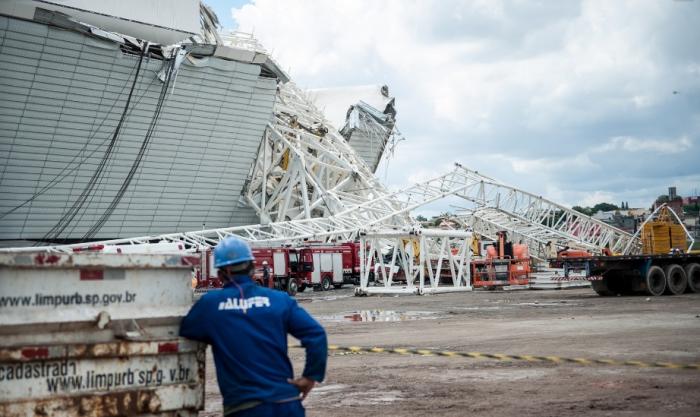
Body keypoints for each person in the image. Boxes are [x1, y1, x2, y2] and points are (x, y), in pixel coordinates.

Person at [180, 236, 327, 417]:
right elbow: (316, 335)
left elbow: (184, 332)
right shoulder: (280, 300)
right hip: (287, 403)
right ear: (252, 268)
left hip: (244, 407)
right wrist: (310, 378)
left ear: (220, 273)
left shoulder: (210, 305)